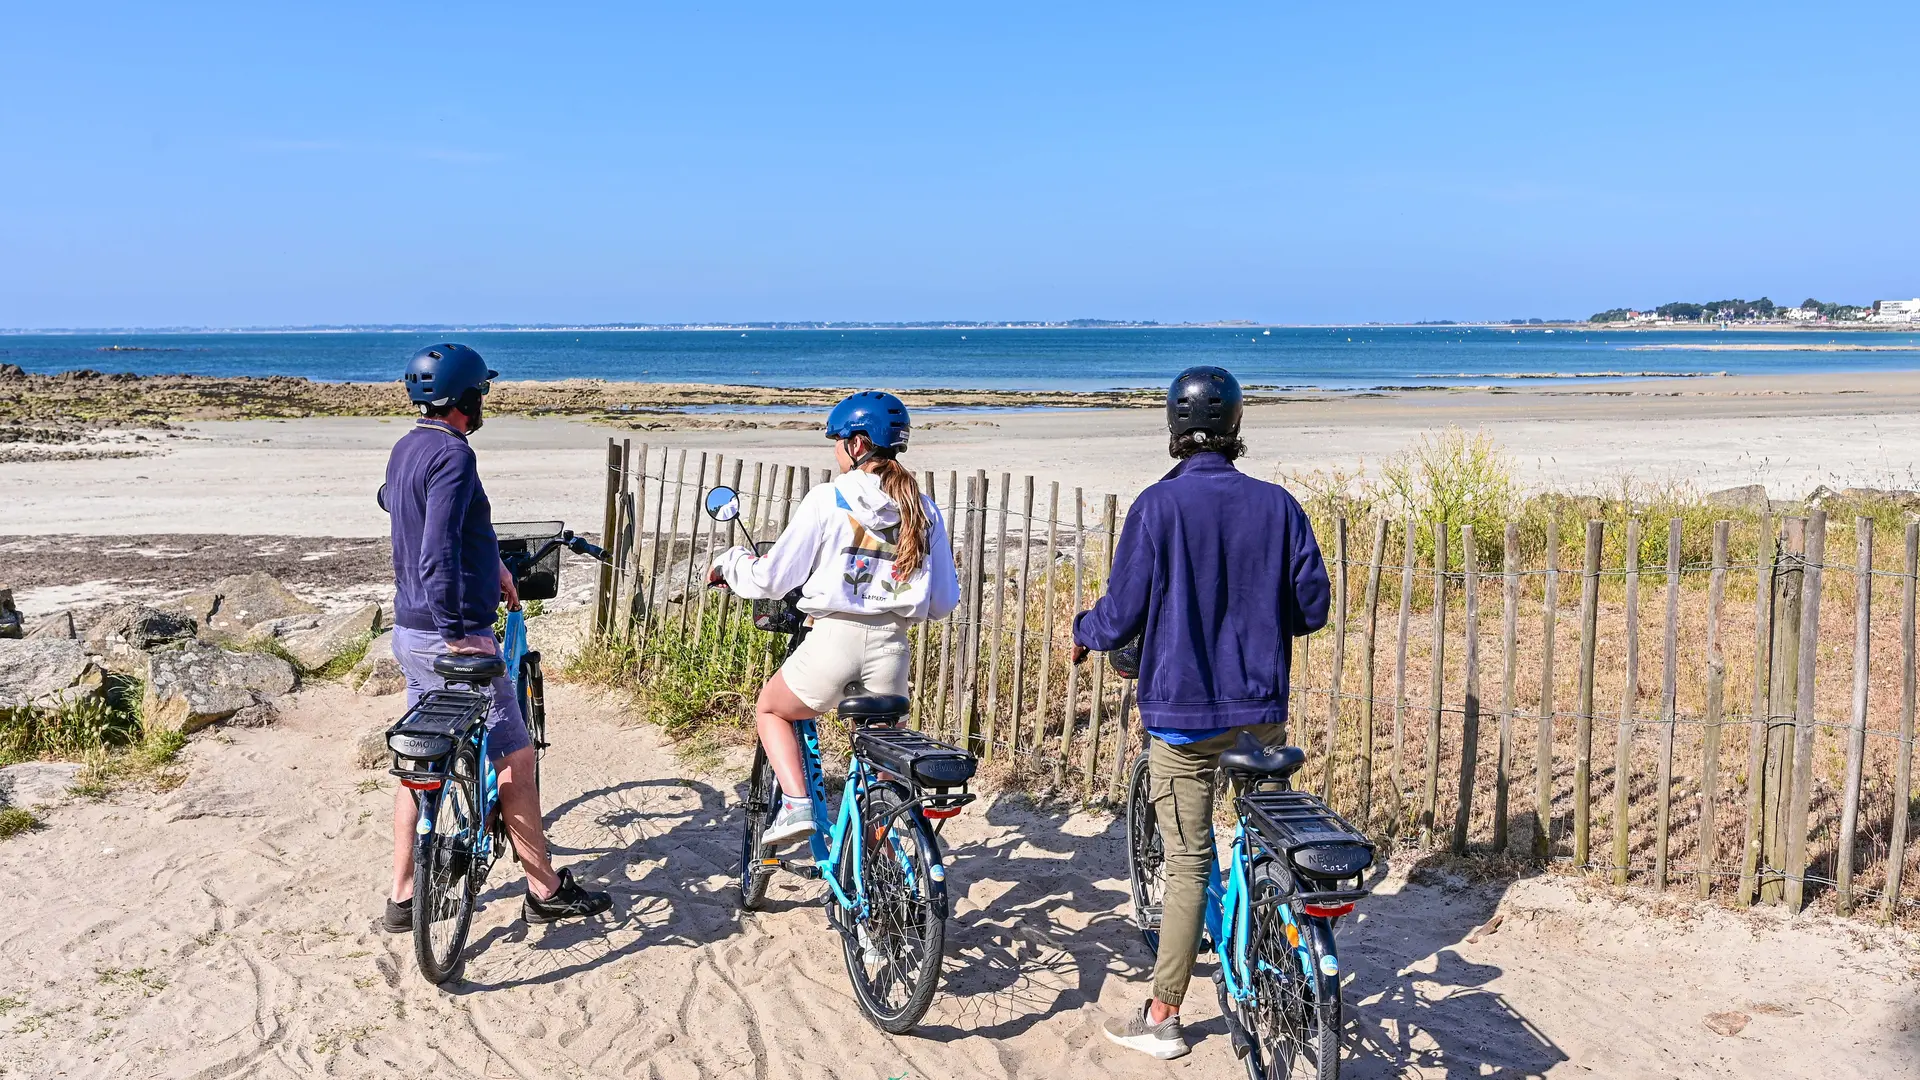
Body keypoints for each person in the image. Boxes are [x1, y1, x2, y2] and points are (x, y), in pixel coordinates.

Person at [1071, 365, 1330, 1060]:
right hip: (1259, 714)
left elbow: (1121, 611)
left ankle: (1162, 1016)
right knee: (1263, 840)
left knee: (1188, 862)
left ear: (1174, 430)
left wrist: (1083, 631)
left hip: (1181, 718)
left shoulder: (1157, 507)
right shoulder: (1279, 506)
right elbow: (1312, 610)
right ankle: (1281, 955)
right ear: (1237, 426)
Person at [380, 343, 611, 932]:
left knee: (420, 758)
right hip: (449, 636)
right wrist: (462, 634)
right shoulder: (454, 456)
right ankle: (543, 887)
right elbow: (436, 552)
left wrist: (492, 566)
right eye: (482, 391)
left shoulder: (407, 448)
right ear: (466, 397)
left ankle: (402, 896)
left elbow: (400, 505)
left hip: (409, 631)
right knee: (516, 755)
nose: (485, 401)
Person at [708, 391, 959, 850]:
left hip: (833, 641)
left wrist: (731, 564)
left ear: (858, 444)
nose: (835, 450)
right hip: (892, 648)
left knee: (771, 709)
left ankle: (798, 805)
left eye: (837, 440)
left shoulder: (828, 498)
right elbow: (943, 603)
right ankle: (882, 865)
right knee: (881, 763)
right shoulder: (925, 510)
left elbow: (771, 577)